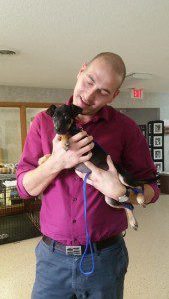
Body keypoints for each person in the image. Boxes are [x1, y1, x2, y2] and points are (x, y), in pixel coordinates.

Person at [16, 52, 160, 299]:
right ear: (81, 70)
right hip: (52, 260)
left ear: (114, 95)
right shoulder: (42, 123)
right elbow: (24, 188)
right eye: (89, 80)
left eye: (103, 91)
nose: (90, 94)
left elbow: (152, 189)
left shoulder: (126, 129)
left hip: (106, 258)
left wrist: (124, 193)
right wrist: (56, 163)